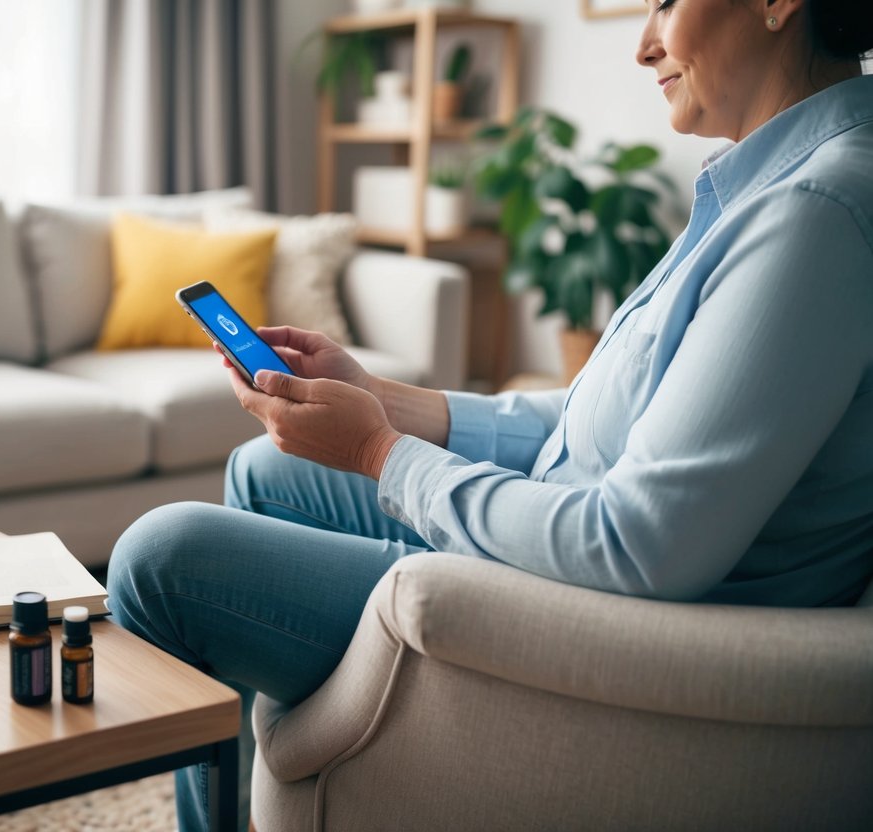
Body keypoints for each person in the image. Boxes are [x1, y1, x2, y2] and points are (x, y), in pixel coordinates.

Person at [107, 1, 873, 829]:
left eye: (665, 0)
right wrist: (385, 402)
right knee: (263, 467)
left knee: (160, 557)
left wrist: (377, 452)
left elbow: (635, 545)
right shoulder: (765, 186)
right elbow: (594, 419)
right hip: (559, 550)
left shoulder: (815, 214)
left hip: (604, 627)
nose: (643, 44)